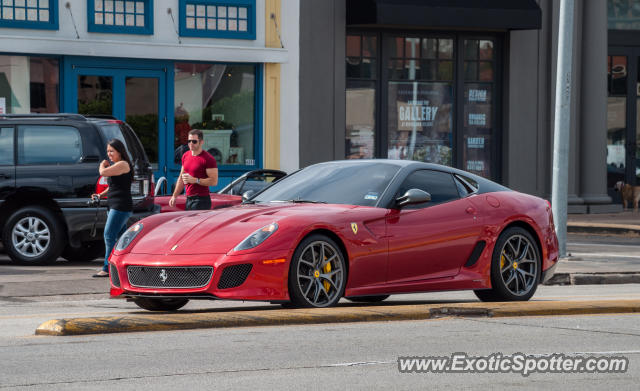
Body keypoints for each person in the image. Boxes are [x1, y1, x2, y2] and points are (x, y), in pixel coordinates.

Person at [91, 139, 133, 278]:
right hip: (113, 205)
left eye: (112, 151)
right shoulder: (116, 165)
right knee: (121, 239)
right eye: (108, 151)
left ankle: (107, 268)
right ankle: (125, 266)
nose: (109, 154)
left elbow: (103, 173)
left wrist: (102, 165)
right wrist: (99, 195)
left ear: (120, 151)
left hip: (121, 206)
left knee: (109, 235)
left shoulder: (123, 164)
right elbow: (113, 187)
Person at [170, 129, 218, 210]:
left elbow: (214, 181)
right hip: (189, 199)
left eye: (194, 141)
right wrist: (174, 196)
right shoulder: (185, 156)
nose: (191, 143)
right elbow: (181, 178)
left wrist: (196, 180)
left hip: (202, 200)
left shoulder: (208, 159)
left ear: (201, 142)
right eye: (189, 141)